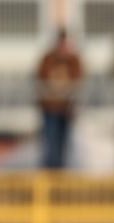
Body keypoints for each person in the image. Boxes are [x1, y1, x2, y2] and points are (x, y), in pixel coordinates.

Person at [36, 29, 83, 169]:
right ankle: (49, 172)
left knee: (63, 144)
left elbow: (78, 81)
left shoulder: (74, 61)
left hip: (66, 109)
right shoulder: (48, 59)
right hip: (50, 109)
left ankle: (61, 172)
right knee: (50, 143)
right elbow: (41, 80)